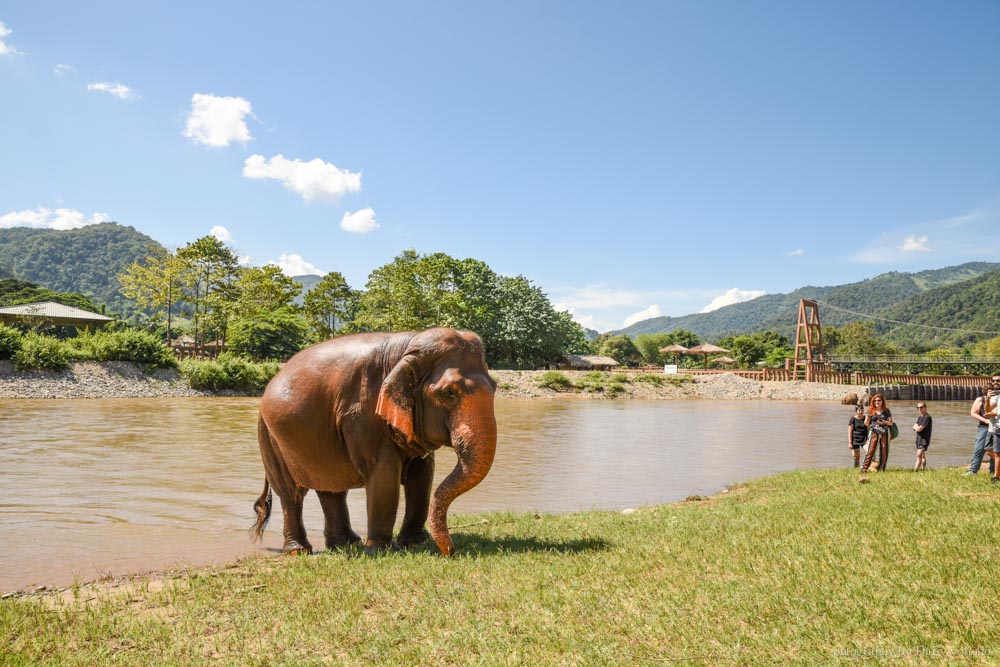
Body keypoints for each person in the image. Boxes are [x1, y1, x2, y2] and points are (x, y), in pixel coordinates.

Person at [965, 378, 996, 476]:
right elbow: (973, 413)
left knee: (995, 450)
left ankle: (993, 470)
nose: (992, 393)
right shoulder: (980, 399)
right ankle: (973, 470)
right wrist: (985, 420)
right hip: (984, 427)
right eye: (990, 391)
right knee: (979, 448)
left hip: (996, 427)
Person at [861, 394, 893, 474]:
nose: (877, 402)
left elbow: (891, 423)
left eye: (879, 400)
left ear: (882, 401)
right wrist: (867, 418)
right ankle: (864, 469)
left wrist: (884, 422)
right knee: (870, 450)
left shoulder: (886, 410)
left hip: (885, 431)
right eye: (875, 400)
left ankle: (881, 469)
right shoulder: (870, 410)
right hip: (874, 431)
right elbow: (866, 424)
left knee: (884, 450)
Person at [912, 402, 931, 471]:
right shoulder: (920, 417)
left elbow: (919, 429)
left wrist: (916, 427)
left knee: (918, 455)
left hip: (924, 439)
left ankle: (915, 471)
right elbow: (913, 428)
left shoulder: (927, 417)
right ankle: (923, 469)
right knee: (922, 456)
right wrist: (916, 427)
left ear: (925, 407)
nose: (919, 409)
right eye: (918, 407)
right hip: (919, 439)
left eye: (921, 407)